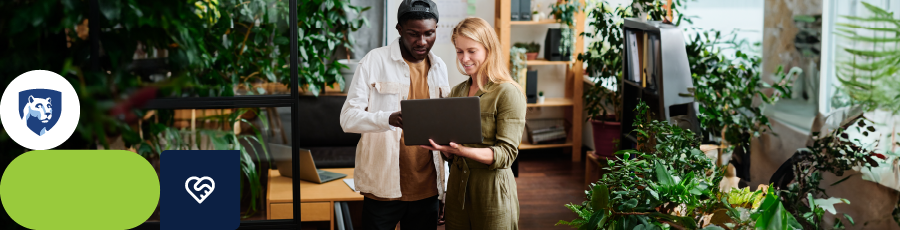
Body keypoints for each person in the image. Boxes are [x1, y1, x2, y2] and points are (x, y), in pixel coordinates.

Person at [339, 0, 451, 229]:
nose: (422, 42)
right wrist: (387, 119)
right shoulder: (374, 61)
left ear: (436, 29)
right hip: (383, 187)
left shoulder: (440, 67)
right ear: (399, 29)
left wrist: (444, 191)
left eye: (429, 33)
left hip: (428, 188)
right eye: (413, 34)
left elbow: (443, 129)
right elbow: (348, 118)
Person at [420, 17, 527, 230]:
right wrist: (445, 149)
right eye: (459, 51)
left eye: (472, 51)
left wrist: (462, 150)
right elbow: (451, 148)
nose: (464, 58)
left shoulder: (508, 93)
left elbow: (506, 155)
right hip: (458, 190)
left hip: (491, 191)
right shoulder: (457, 92)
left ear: (488, 49)